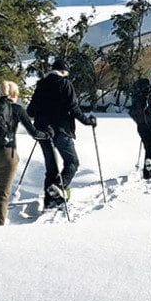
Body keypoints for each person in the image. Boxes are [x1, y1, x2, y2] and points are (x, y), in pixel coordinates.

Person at [0, 81, 48, 225]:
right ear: (14, 94)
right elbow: (34, 133)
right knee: (2, 194)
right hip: (7, 154)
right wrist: (47, 134)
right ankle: (0, 228)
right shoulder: (17, 109)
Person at [27, 58, 97, 208]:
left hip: (42, 131)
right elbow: (74, 108)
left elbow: (30, 111)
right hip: (61, 129)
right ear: (64, 71)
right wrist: (88, 121)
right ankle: (59, 187)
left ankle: (50, 201)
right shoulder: (65, 83)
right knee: (72, 162)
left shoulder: (41, 85)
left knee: (51, 168)